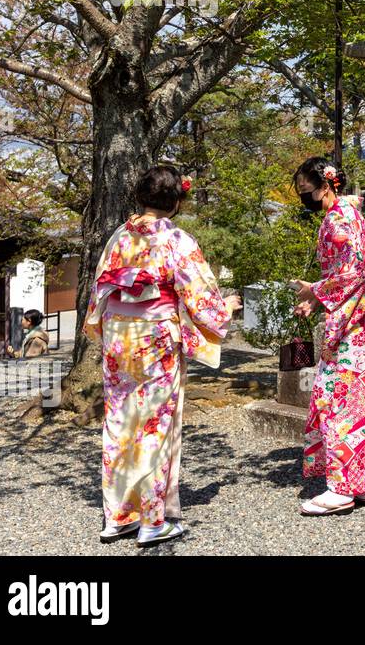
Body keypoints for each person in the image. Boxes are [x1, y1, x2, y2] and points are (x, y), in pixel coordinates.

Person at [83, 166, 239, 548]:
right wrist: (227, 308)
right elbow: (201, 299)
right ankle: (152, 520)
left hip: (119, 340)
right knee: (153, 425)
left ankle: (117, 515)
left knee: (119, 422)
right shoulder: (176, 240)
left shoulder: (118, 237)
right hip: (155, 342)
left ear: (140, 198)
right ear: (177, 202)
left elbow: (99, 291)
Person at [290, 157, 365, 516]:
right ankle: (359, 481)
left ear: (326, 185)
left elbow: (350, 274)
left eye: (307, 190)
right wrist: (317, 301)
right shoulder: (350, 211)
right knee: (362, 394)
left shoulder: (338, 218)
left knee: (342, 395)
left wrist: (315, 290)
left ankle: (343, 488)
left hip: (356, 316)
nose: (305, 197)